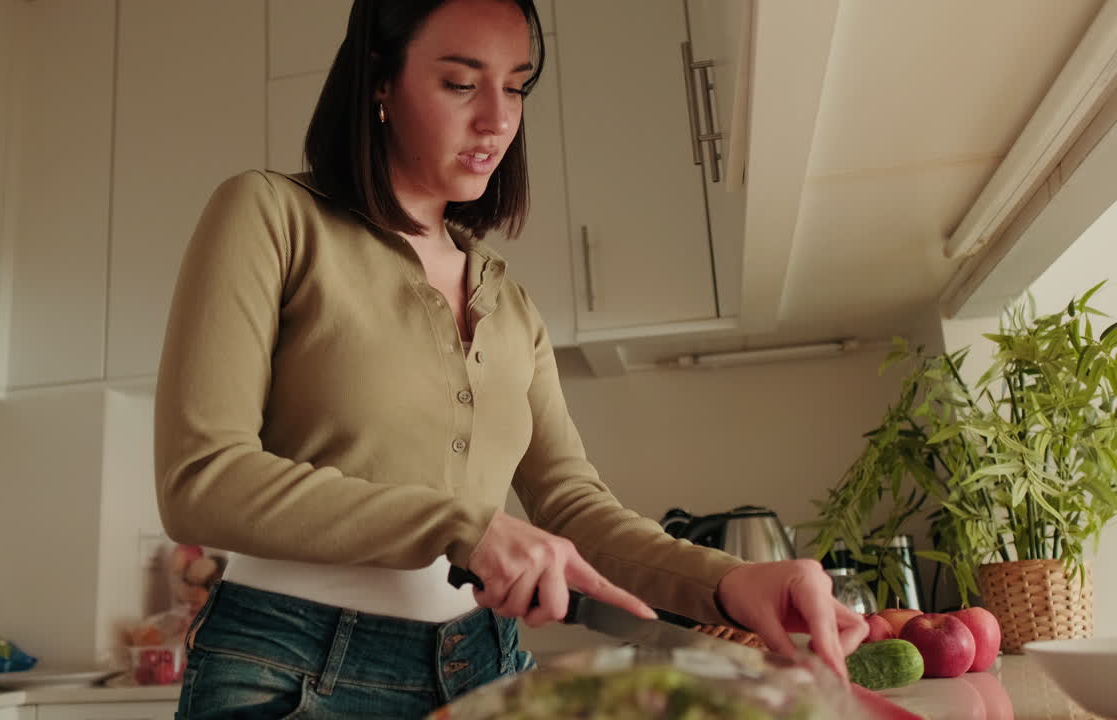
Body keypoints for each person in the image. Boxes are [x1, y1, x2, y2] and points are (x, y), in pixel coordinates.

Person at [153, 0, 868, 717]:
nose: (497, 118)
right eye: (462, 83)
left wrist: (730, 582)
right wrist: (462, 526)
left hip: (485, 664)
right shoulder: (270, 216)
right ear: (380, 80)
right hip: (287, 664)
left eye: (517, 85)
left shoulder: (511, 302)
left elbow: (573, 507)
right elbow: (201, 477)